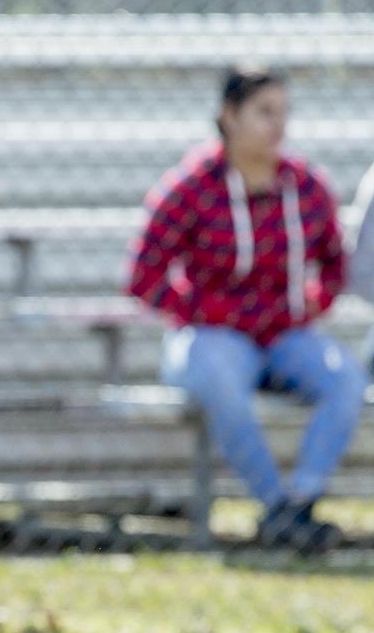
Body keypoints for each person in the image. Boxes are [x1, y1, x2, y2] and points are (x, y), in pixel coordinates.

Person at [125, 66, 364, 552]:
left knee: (346, 379)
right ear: (228, 117)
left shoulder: (305, 186)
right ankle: (275, 506)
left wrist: (311, 306)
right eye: (264, 112)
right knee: (219, 380)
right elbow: (143, 277)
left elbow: (335, 264)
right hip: (214, 337)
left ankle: (302, 500)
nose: (278, 125)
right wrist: (201, 311)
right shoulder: (192, 186)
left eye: (284, 112)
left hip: (283, 335)